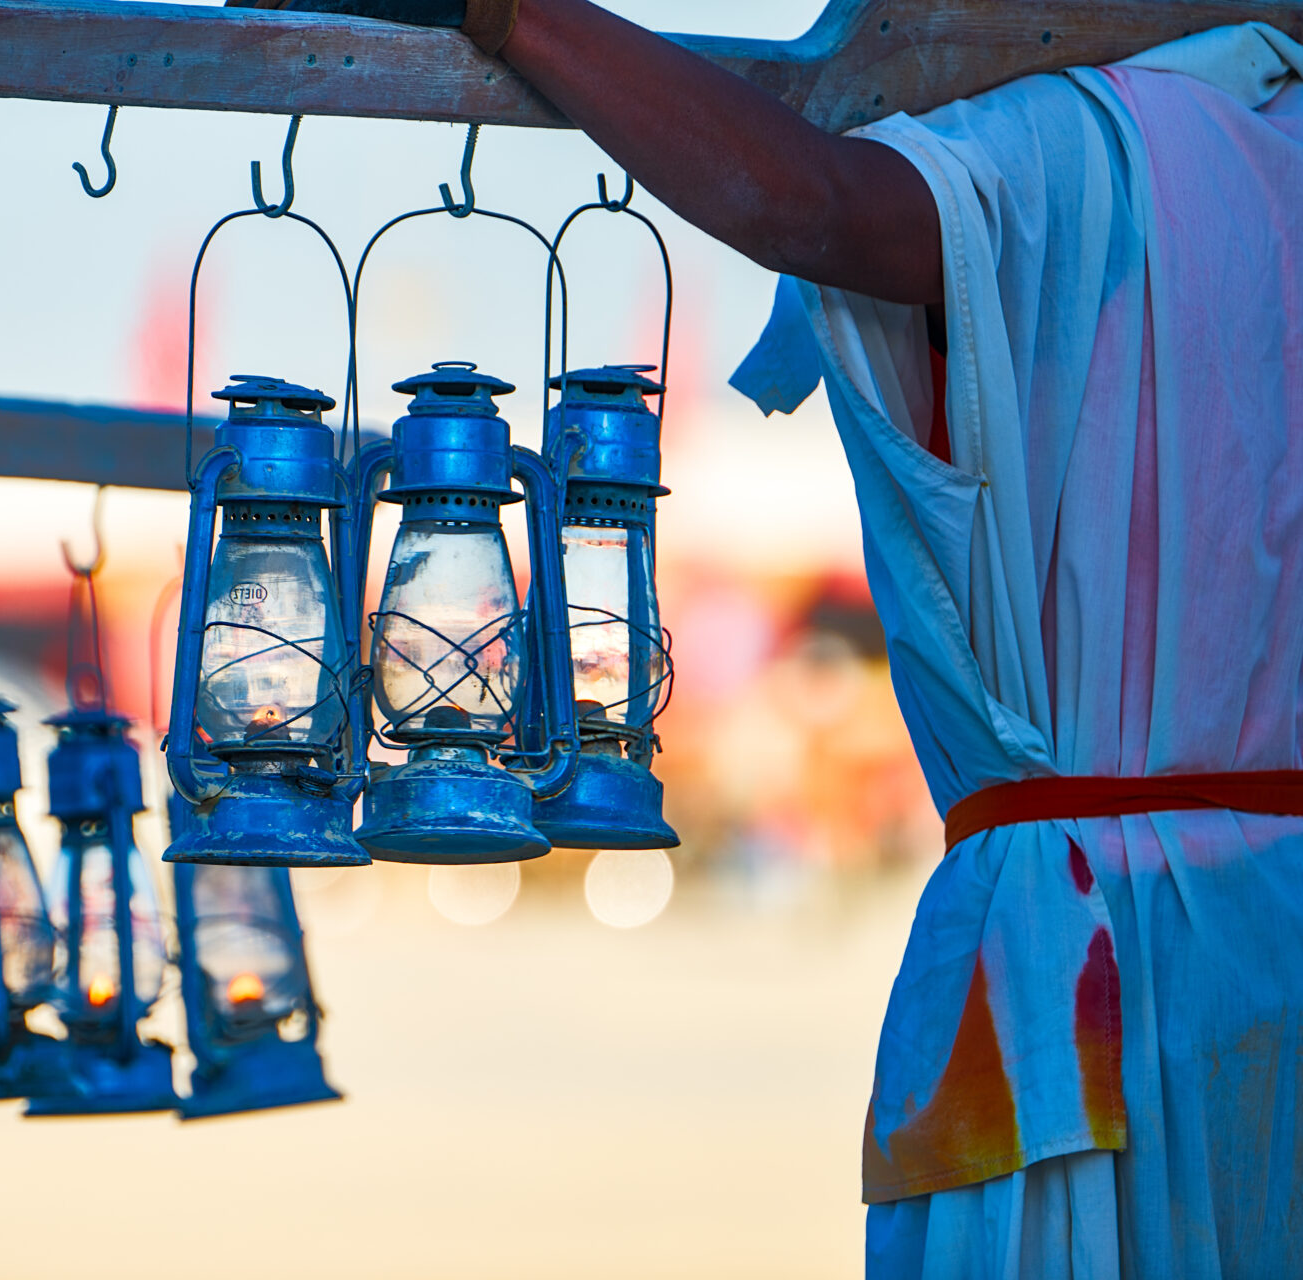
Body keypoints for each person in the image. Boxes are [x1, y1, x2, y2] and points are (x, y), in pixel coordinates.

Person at [235, 0, 1303, 1273]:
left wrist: (514, 18)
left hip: (1108, 958)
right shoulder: (1222, 146)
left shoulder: (1093, 149)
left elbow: (819, 204)